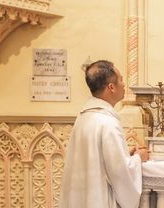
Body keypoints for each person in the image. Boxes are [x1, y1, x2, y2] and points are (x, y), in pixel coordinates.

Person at [60, 60, 150, 208]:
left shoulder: (83, 116)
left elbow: (95, 158)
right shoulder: (108, 123)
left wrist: (126, 154)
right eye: (121, 80)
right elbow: (120, 174)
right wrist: (138, 158)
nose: (124, 84)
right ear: (111, 87)